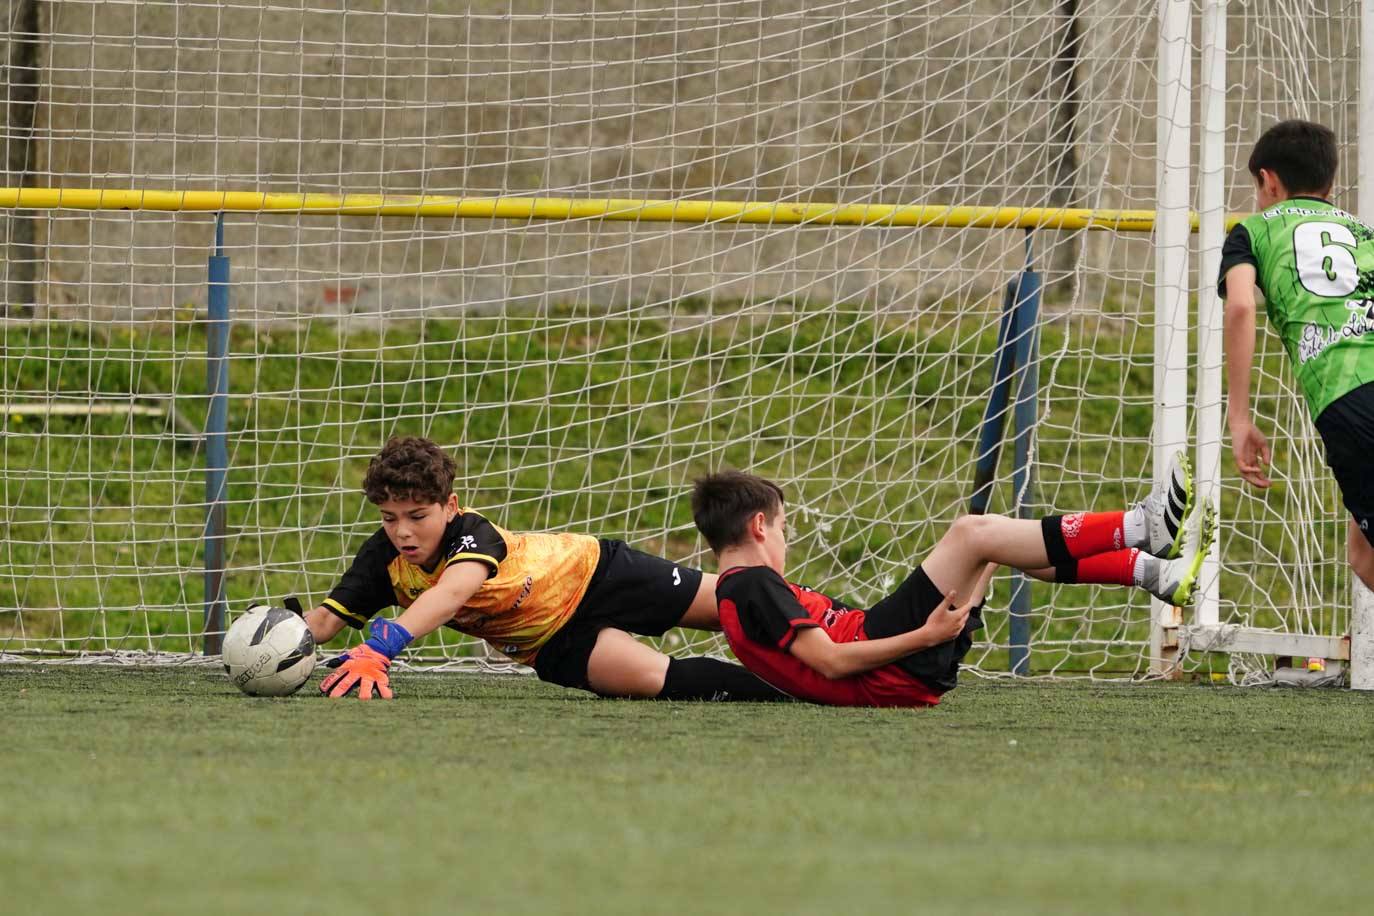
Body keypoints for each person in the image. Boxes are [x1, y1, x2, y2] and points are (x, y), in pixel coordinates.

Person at [690, 461, 1214, 707]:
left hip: (892, 660)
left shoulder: (743, 590)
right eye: (783, 527)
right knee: (973, 533)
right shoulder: (751, 585)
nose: (786, 538)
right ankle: (1144, 529)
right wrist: (927, 636)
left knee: (1000, 544)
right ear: (759, 526)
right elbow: (829, 660)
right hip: (892, 663)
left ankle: (1154, 572)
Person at [305, 436, 785, 702]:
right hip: (552, 644)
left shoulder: (473, 533)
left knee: (738, 600)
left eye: (417, 516)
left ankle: (853, 630)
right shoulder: (381, 560)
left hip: (596, 573)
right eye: (389, 519)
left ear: (449, 506)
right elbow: (324, 623)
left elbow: (450, 593)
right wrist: (275, 635)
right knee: (658, 681)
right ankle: (799, 691)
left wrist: (380, 647)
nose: (403, 532)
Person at [1218, 119, 1374, 591]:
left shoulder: (1253, 231)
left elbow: (1242, 305)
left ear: (1268, 180)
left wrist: (1239, 418)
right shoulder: (1362, 232)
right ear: (1331, 183)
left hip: (1347, 398)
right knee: (1364, 558)